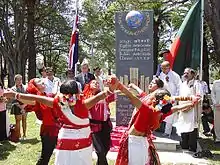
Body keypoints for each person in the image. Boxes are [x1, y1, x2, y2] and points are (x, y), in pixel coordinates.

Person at [3, 79, 115, 165]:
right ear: (77, 92)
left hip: (65, 139)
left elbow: (36, 98)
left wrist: (14, 95)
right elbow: (103, 94)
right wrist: (112, 87)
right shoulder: (84, 104)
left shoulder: (58, 103)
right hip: (82, 141)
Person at [108, 76, 198, 165]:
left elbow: (130, 96)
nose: (150, 95)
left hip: (137, 142)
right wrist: (191, 101)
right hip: (138, 141)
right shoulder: (160, 113)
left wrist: (119, 85)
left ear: (155, 99)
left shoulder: (149, 110)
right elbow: (176, 106)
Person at [24, 78, 60, 165]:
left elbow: (54, 95)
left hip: (57, 128)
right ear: (35, 87)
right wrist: (16, 96)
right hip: (48, 131)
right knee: (45, 157)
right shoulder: (37, 99)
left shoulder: (46, 95)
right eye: (39, 82)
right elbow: (28, 102)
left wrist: (57, 85)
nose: (43, 81)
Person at [83, 80, 115, 165]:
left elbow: (112, 95)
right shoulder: (86, 97)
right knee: (100, 151)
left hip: (105, 125)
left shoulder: (103, 95)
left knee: (106, 149)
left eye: (97, 82)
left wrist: (111, 85)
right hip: (94, 127)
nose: (96, 83)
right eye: (93, 82)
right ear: (89, 85)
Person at [175, 68, 202, 152]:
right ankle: (184, 145)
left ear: (193, 74)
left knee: (192, 127)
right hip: (182, 109)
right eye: (184, 73)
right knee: (182, 125)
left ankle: (192, 147)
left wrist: (190, 106)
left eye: (187, 73)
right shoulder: (182, 84)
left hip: (192, 110)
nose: (185, 75)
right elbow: (179, 96)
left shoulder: (196, 84)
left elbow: (199, 97)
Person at [159, 61, 182, 137]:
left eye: (164, 68)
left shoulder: (175, 76)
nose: (163, 70)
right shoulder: (161, 74)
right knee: (161, 111)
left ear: (169, 67)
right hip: (164, 96)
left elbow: (179, 87)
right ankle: (160, 128)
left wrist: (176, 97)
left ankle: (168, 132)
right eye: (161, 68)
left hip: (172, 97)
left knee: (170, 114)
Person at [10, 74, 27, 140]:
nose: (19, 81)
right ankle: (18, 135)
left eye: (20, 79)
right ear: (15, 80)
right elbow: (13, 100)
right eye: (18, 79)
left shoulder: (25, 87)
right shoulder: (13, 89)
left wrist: (24, 105)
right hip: (17, 106)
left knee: (24, 120)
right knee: (18, 121)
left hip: (25, 105)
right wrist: (20, 107)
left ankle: (25, 135)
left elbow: (28, 97)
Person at [211, 78, 220, 143]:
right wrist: (215, 103)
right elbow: (212, 94)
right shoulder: (216, 83)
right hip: (217, 106)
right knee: (217, 123)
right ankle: (218, 138)